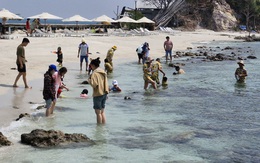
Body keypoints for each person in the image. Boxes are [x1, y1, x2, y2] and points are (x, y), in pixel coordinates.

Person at [88, 57, 109, 124]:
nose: (90, 67)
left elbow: (94, 84)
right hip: (104, 93)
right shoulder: (103, 72)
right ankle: (103, 127)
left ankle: (99, 129)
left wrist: (89, 80)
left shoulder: (94, 73)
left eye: (90, 66)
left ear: (93, 65)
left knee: (98, 113)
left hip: (98, 94)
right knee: (102, 112)